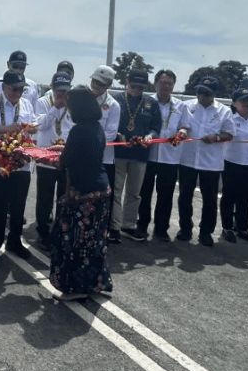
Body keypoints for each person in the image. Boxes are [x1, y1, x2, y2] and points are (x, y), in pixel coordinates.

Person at [45, 86, 111, 301]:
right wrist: (64, 151)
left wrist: (46, 158)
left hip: (84, 194)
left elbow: (66, 161)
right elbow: (79, 152)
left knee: (76, 243)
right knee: (95, 242)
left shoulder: (79, 130)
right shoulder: (96, 127)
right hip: (101, 191)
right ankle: (95, 283)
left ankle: (76, 288)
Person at [0, 70, 36, 262]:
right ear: (4, 87)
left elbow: (33, 127)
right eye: (14, 89)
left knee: (19, 207)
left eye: (21, 90)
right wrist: (7, 128)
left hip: (21, 164)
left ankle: (15, 241)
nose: (18, 93)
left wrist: (31, 128)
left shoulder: (26, 104)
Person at [177, 76, 235, 246]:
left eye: (207, 93)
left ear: (214, 94)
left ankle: (206, 232)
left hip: (211, 163)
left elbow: (230, 134)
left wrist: (216, 137)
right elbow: (180, 126)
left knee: (209, 200)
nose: (202, 96)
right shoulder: (186, 106)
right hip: (187, 159)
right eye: (200, 92)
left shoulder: (224, 111)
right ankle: (185, 228)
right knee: (184, 197)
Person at [137, 69, 190, 242]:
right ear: (155, 84)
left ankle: (161, 229)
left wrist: (181, 133)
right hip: (148, 155)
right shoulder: (146, 102)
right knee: (144, 193)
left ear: (173, 85)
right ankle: (141, 226)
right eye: (162, 82)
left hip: (170, 156)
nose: (165, 86)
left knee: (166, 195)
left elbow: (185, 126)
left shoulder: (181, 106)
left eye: (169, 83)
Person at [110, 70, 161, 242]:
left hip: (140, 154)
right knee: (116, 191)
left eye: (141, 87)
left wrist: (150, 136)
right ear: (127, 83)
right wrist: (117, 135)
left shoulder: (151, 103)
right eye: (133, 86)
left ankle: (128, 225)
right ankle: (113, 226)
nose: (137, 90)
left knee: (134, 192)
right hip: (118, 152)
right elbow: (109, 124)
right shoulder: (116, 100)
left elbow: (156, 127)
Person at [32, 71, 73, 250]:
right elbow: (40, 126)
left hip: (64, 158)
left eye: (64, 91)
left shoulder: (72, 105)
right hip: (46, 158)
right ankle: (42, 232)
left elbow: (73, 128)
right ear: (52, 87)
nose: (61, 94)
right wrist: (55, 108)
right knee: (44, 199)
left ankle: (60, 233)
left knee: (64, 199)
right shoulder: (43, 102)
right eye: (58, 90)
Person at [218, 88, 248, 244]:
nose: (247, 103)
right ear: (234, 103)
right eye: (243, 101)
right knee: (229, 196)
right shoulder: (229, 120)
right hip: (233, 163)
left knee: (246, 198)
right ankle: (227, 228)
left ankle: (242, 228)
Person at [89, 66, 122, 242]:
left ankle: (102, 230)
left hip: (104, 159)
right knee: (85, 195)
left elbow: (111, 133)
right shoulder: (83, 99)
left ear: (108, 85)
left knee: (103, 197)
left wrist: (89, 142)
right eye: (94, 81)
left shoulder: (113, 105)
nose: (96, 86)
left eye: (101, 84)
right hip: (84, 158)